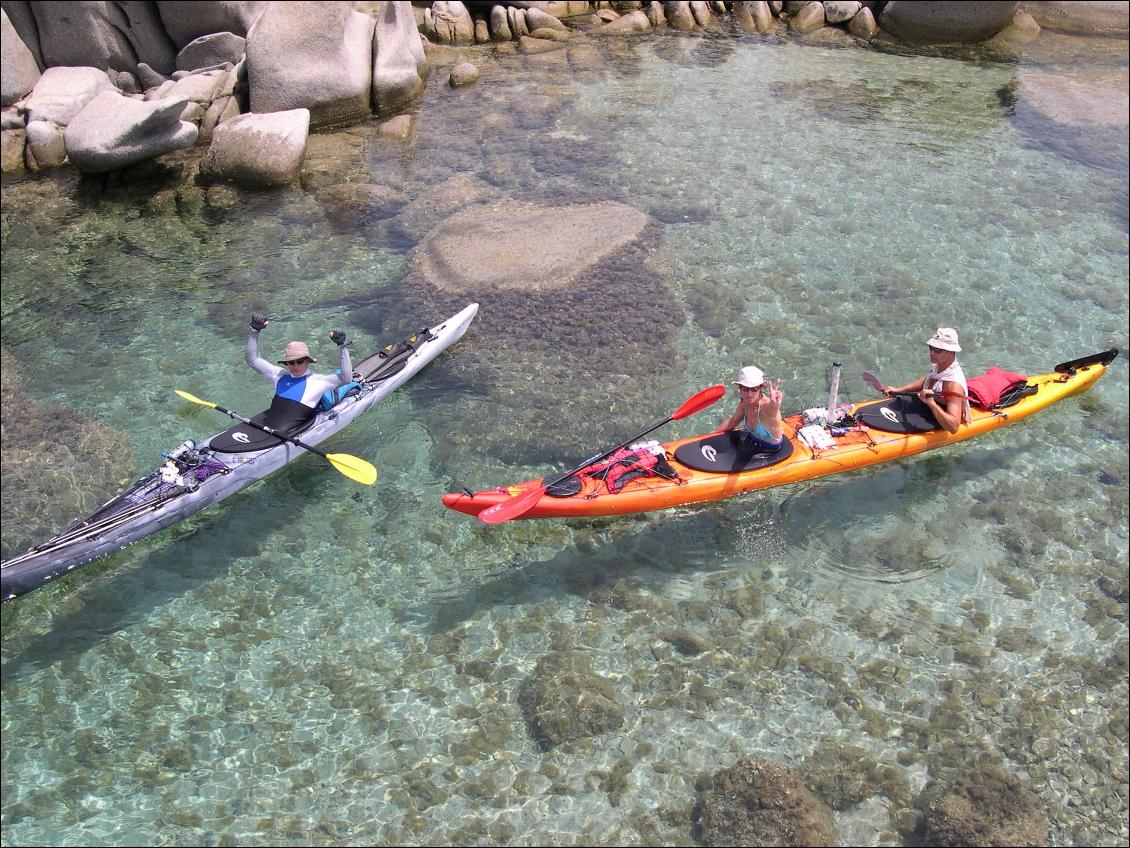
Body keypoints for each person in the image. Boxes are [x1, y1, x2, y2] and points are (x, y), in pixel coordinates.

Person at [246, 312, 353, 420]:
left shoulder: (319, 381)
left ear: (307, 361)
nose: (295, 365)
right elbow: (253, 360)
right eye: (291, 362)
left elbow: (347, 378)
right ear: (286, 363)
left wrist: (342, 346)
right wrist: (255, 330)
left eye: (300, 361)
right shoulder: (279, 375)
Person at [882, 327, 971, 435]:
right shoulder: (940, 366)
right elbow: (928, 378)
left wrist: (932, 404)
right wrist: (898, 389)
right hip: (928, 407)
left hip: (938, 414)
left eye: (937, 350)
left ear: (951, 352)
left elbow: (953, 427)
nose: (932, 353)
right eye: (931, 348)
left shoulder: (954, 385)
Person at [719, 365, 785, 450]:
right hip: (751, 441)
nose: (749, 394)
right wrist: (709, 437)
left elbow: (773, 412)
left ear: (760, 388)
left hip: (771, 450)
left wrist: (775, 406)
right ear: (740, 388)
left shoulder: (767, 407)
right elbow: (733, 421)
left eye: (754, 389)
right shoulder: (744, 402)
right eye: (745, 389)